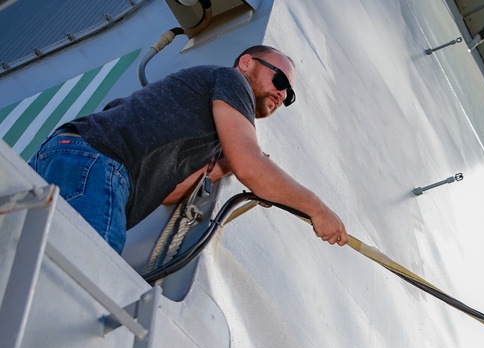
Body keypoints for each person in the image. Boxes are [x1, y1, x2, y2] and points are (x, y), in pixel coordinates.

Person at [29, 45, 346, 254]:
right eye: (278, 79)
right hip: (98, 165)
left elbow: (168, 192)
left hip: (72, 158)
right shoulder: (231, 80)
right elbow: (251, 166)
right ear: (246, 63)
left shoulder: (206, 124)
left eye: (288, 95)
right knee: (79, 285)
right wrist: (318, 209)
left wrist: (224, 165)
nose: (281, 92)